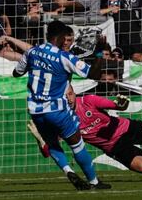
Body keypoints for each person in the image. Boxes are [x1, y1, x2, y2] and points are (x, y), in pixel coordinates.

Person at [13, 20, 110, 190]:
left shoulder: (32, 51)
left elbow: (16, 73)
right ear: (60, 37)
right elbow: (93, 74)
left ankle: (67, 170)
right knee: (76, 144)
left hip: (36, 111)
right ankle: (94, 181)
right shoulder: (64, 57)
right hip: (57, 110)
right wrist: (100, 53)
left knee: (52, 143)